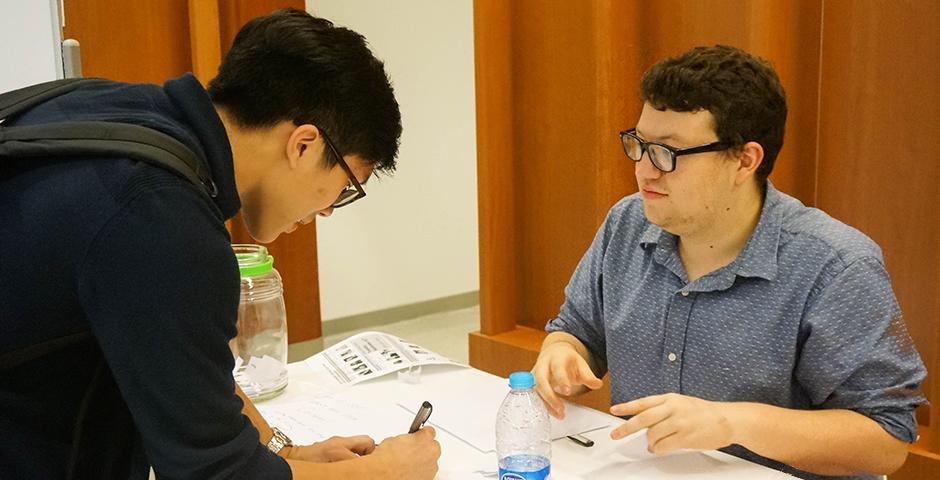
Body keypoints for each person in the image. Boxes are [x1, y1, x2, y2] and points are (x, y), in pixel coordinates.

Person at [0, 8, 439, 480]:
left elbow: (185, 371)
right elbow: (213, 474)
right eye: (346, 185)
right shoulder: (161, 215)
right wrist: (384, 473)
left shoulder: (122, 115)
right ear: (304, 145)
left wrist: (281, 452)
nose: (329, 210)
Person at [532, 45, 926, 480]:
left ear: (744, 160)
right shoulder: (627, 222)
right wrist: (561, 351)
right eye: (639, 144)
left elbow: (886, 441)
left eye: (668, 153)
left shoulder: (835, 266)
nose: (645, 170)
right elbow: (576, 330)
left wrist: (732, 423)